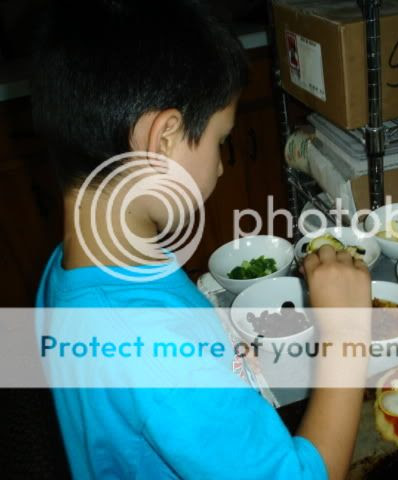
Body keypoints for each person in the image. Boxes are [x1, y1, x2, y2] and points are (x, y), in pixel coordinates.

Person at [33, 1, 371, 479]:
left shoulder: (72, 267)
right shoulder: (156, 350)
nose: (220, 166)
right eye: (220, 140)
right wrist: (347, 334)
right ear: (164, 139)